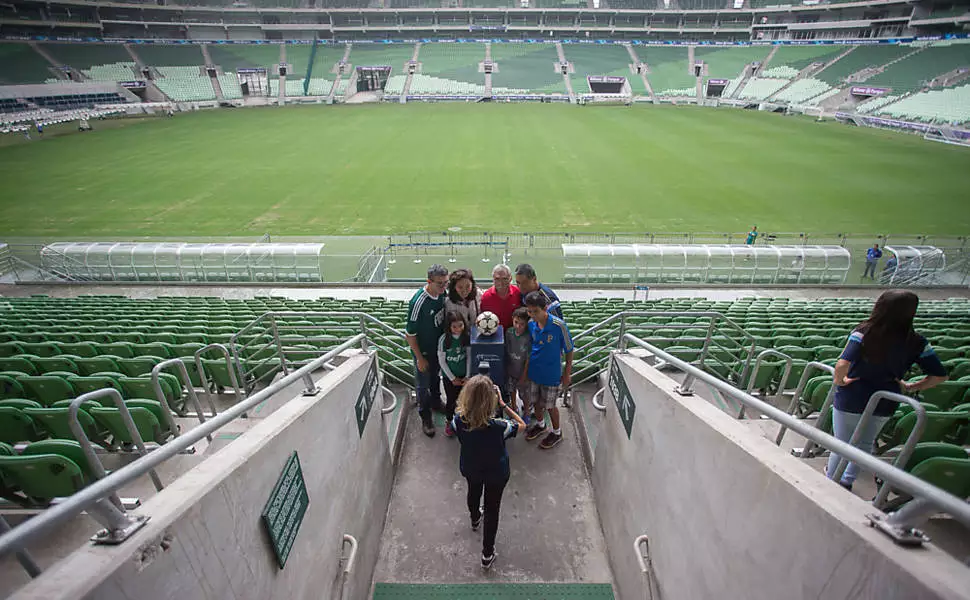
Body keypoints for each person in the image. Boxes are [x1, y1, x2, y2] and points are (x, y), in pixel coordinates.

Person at [825, 290, 947, 491]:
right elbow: (939, 375)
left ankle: (831, 480)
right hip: (887, 398)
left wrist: (840, 380)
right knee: (865, 443)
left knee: (842, 442)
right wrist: (911, 387)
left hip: (854, 394)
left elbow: (842, 363)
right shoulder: (917, 341)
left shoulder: (863, 332)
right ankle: (846, 480)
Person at [451, 375, 526, 570]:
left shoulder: (458, 421)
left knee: (473, 491)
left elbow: (455, 429)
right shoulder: (500, 427)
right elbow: (523, 425)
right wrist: (505, 404)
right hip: (496, 473)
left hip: (471, 467)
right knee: (492, 510)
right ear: (490, 400)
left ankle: (475, 517)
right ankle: (487, 554)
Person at [522, 291, 573, 450]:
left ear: (545, 308)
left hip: (551, 375)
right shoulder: (531, 325)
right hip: (534, 372)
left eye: (535, 311)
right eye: (529, 311)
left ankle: (557, 432)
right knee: (535, 402)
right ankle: (541, 424)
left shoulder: (559, 326)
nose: (532, 315)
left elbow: (569, 350)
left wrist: (567, 374)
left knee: (550, 406)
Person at [406, 264, 449, 437]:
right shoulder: (418, 302)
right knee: (423, 386)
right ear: (429, 282)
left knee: (435, 378)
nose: (444, 287)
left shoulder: (443, 294)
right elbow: (409, 335)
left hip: (437, 350)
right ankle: (425, 416)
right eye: (440, 283)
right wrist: (419, 358)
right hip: (423, 353)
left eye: (446, 282)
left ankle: (437, 402)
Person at [439, 311, 470, 438]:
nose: (458, 329)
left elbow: (469, 357)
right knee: (451, 401)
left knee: (465, 401)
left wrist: (467, 376)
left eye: (460, 325)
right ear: (449, 327)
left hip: (464, 377)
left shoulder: (466, 337)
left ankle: (464, 422)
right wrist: (452, 378)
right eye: (454, 326)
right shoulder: (444, 340)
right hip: (449, 378)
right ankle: (449, 422)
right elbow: (442, 361)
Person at [505, 307, 531, 420]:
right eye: (516, 322)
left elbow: (528, 359)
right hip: (511, 369)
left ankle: (526, 412)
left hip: (523, 372)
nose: (518, 326)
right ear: (512, 319)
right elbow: (506, 350)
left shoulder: (528, 337)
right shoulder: (509, 332)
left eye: (522, 324)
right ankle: (514, 408)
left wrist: (524, 375)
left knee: (525, 395)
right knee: (511, 390)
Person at [480, 264, 522, 330]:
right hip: (494, 333)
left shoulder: (518, 293)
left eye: (504, 279)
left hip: (515, 332)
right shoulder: (486, 297)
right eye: (497, 279)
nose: (501, 283)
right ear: (493, 279)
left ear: (510, 278)